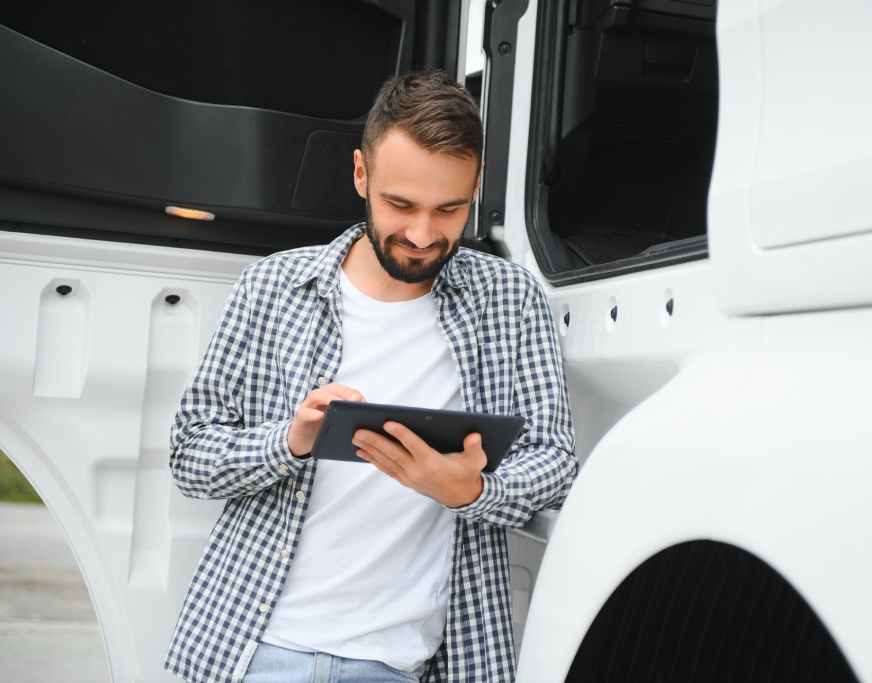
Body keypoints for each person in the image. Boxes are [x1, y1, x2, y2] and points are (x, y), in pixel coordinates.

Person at [163, 68, 577, 683]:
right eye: (400, 204)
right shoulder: (272, 286)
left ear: (476, 188)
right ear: (361, 174)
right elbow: (189, 455)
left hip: (403, 664)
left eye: (449, 210)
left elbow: (556, 464)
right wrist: (291, 440)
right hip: (254, 650)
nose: (420, 234)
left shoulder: (511, 298)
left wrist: (469, 490)